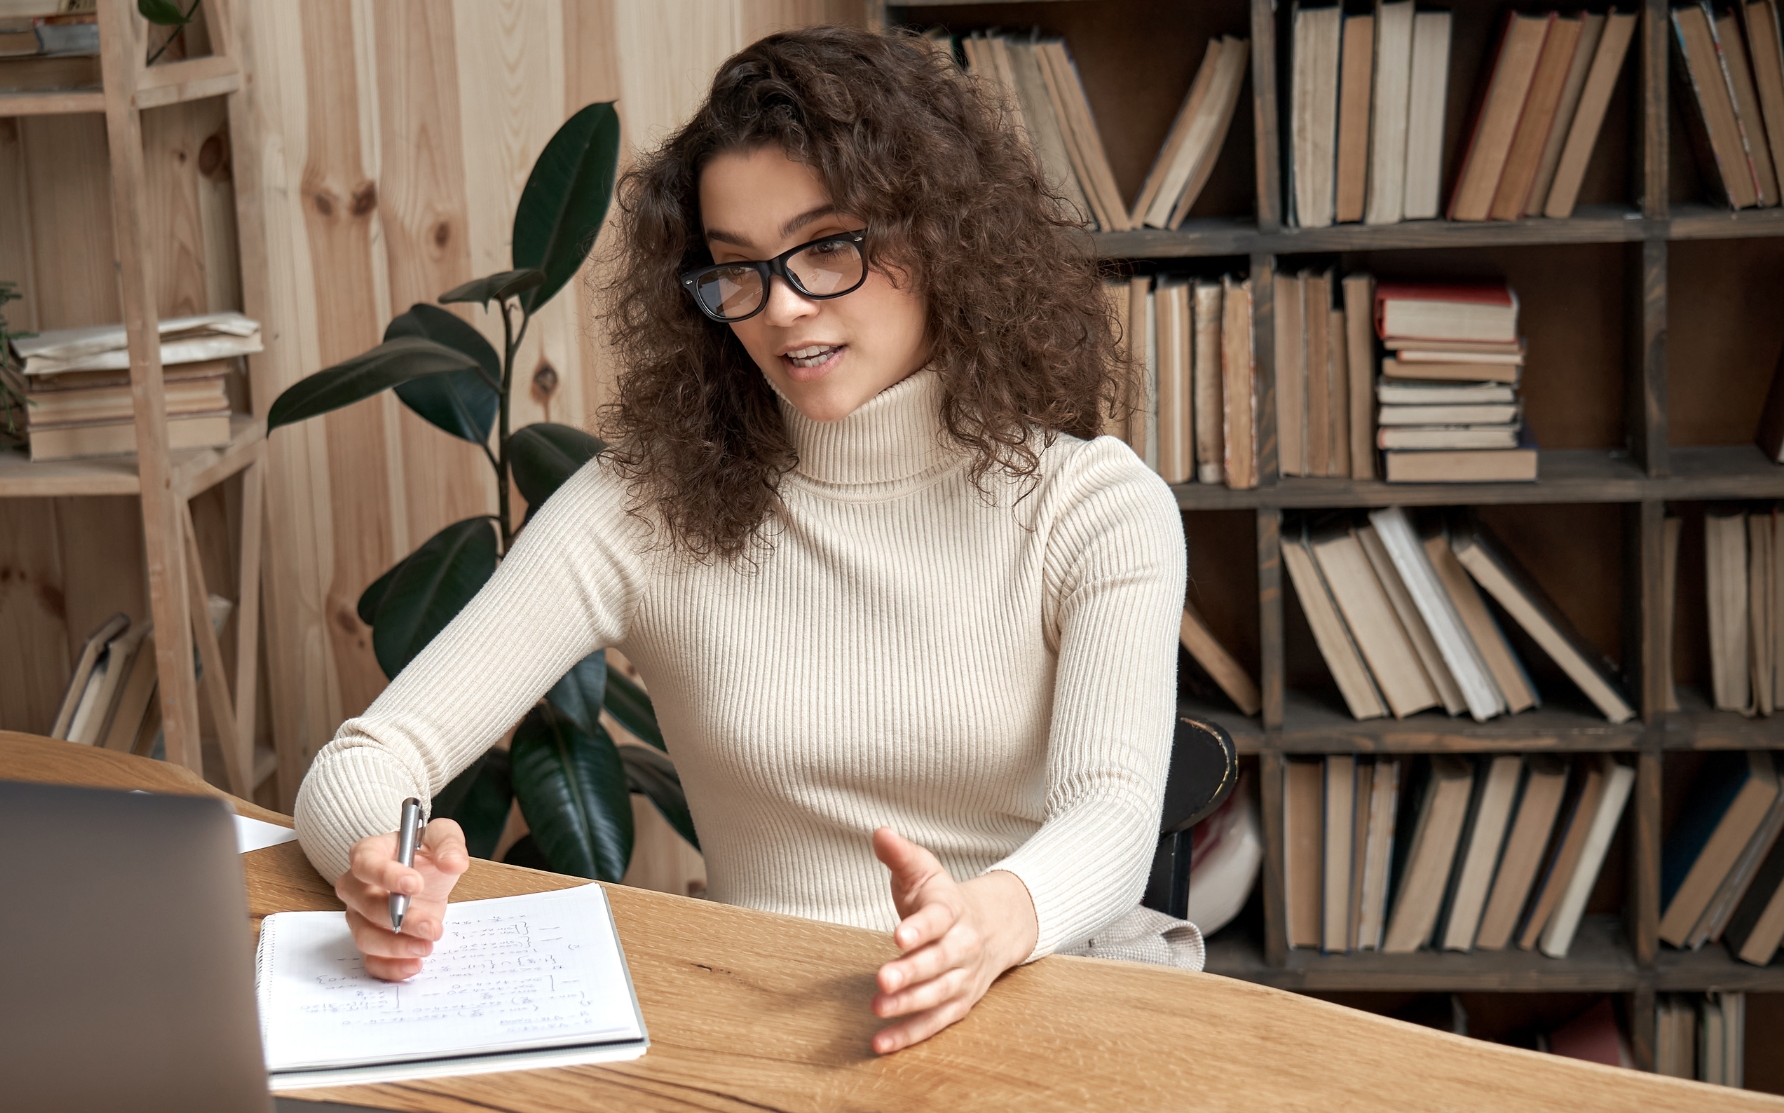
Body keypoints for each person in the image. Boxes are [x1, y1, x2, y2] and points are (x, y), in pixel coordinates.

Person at [295, 26, 1193, 1056]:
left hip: (1035, 1001)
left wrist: (986, 925)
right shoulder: (642, 505)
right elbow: (369, 759)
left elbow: (1113, 819)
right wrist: (380, 864)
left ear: (941, 236)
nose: (785, 310)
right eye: (738, 270)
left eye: (827, 247)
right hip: (766, 1034)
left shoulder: (1091, 506)